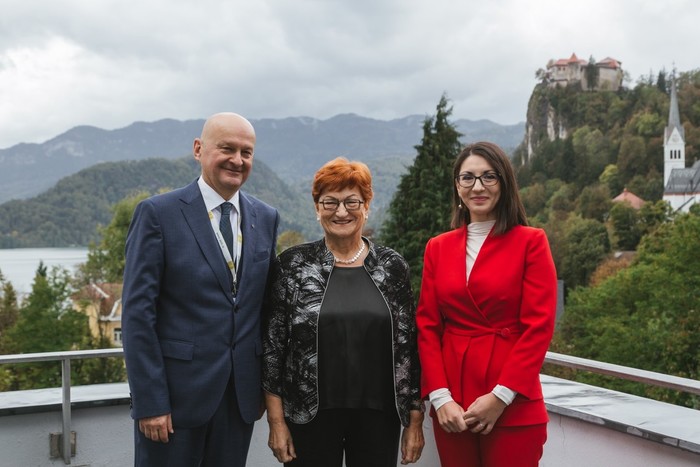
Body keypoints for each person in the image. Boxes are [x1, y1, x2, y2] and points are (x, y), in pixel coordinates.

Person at [122, 112, 280, 466]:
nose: (237, 160)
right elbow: (137, 316)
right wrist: (150, 402)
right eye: (227, 148)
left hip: (239, 400)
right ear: (198, 149)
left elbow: (264, 309)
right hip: (172, 403)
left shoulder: (266, 217)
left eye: (246, 152)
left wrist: (263, 389)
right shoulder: (157, 214)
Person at [262, 157, 425, 466]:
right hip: (307, 416)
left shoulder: (392, 267)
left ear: (367, 206)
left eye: (352, 202)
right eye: (330, 202)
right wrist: (276, 421)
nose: (341, 212)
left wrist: (414, 419)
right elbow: (273, 348)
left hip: (380, 417)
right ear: (317, 207)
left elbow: (408, 349)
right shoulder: (292, 265)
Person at [416, 141, 557, 466]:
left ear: (504, 183)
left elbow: (538, 327)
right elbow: (427, 326)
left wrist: (500, 397)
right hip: (453, 405)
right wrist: (440, 397)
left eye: (489, 176)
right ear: (457, 186)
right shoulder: (437, 247)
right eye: (468, 178)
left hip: (512, 399)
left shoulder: (531, 242)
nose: (477, 187)